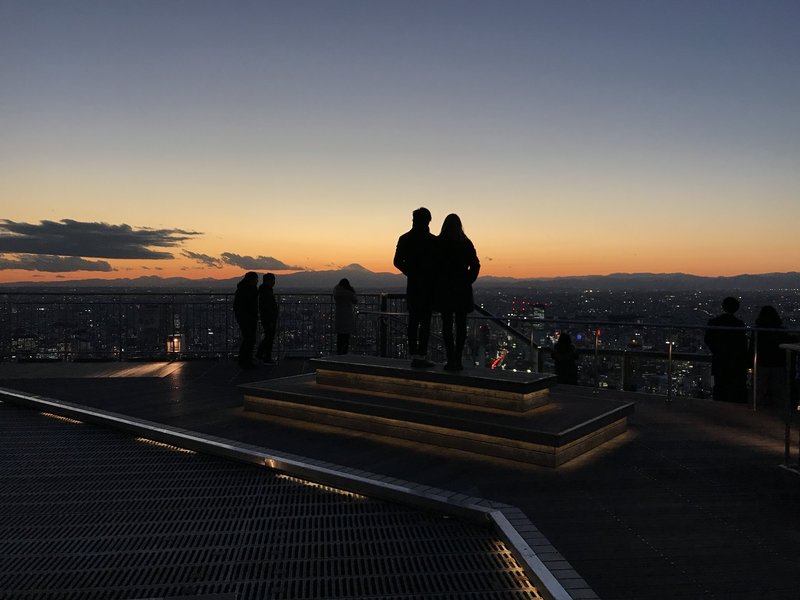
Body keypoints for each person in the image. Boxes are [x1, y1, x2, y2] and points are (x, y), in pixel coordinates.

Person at [435, 213, 480, 371]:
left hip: (445, 289)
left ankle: (450, 359)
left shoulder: (438, 243)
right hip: (461, 289)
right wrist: (467, 280)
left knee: (447, 326)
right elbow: (475, 265)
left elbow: (433, 266)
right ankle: (458, 359)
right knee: (461, 325)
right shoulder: (466, 243)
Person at [393, 207, 438, 368]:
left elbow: (397, 261)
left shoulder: (405, 238)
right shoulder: (433, 241)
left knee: (413, 322)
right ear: (428, 221)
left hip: (413, 286)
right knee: (425, 323)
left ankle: (414, 355)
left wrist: (411, 272)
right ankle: (421, 355)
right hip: (429, 288)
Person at [749, 305, 796, 408]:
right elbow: (787, 342)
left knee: (758, 390)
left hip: (761, 363)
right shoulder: (781, 331)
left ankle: (756, 411)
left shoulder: (757, 331)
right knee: (778, 392)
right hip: (777, 364)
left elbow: (752, 348)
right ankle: (778, 413)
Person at [704, 296, 748, 403]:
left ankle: (718, 408)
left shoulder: (714, 322)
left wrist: (716, 350)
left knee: (719, 385)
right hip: (735, 361)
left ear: (723, 307)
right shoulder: (739, 324)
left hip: (719, 359)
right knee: (733, 386)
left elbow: (708, 339)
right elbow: (742, 344)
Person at [233, 271, 259, 369]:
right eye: (256, 280)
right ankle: (246, 360)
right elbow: (249, 305)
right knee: (249, 339)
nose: (257, 282)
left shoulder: (242, 289)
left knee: (248, 339)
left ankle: (244, 359)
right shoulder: (249, 290)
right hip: (248, 318)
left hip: (244, 318)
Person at [256, 273, 278, 364]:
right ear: (269, 281)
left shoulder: (264, 291)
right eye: (273, 280)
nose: (274, 282)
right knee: (269, 337)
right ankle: (266, 357)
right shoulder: (266, 292)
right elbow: (267, 307)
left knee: (268, 337)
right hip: (268, 318)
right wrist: (271, 318)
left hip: (267, 317)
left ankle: (260, 354)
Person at [333, 278, 358, 355]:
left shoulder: (336, 292)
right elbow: (355, 301)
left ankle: (338, 353)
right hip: (347, 316)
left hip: (339, 315)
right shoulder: (349, 293)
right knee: (346, 337)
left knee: (339, 337)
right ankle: (344, 353)